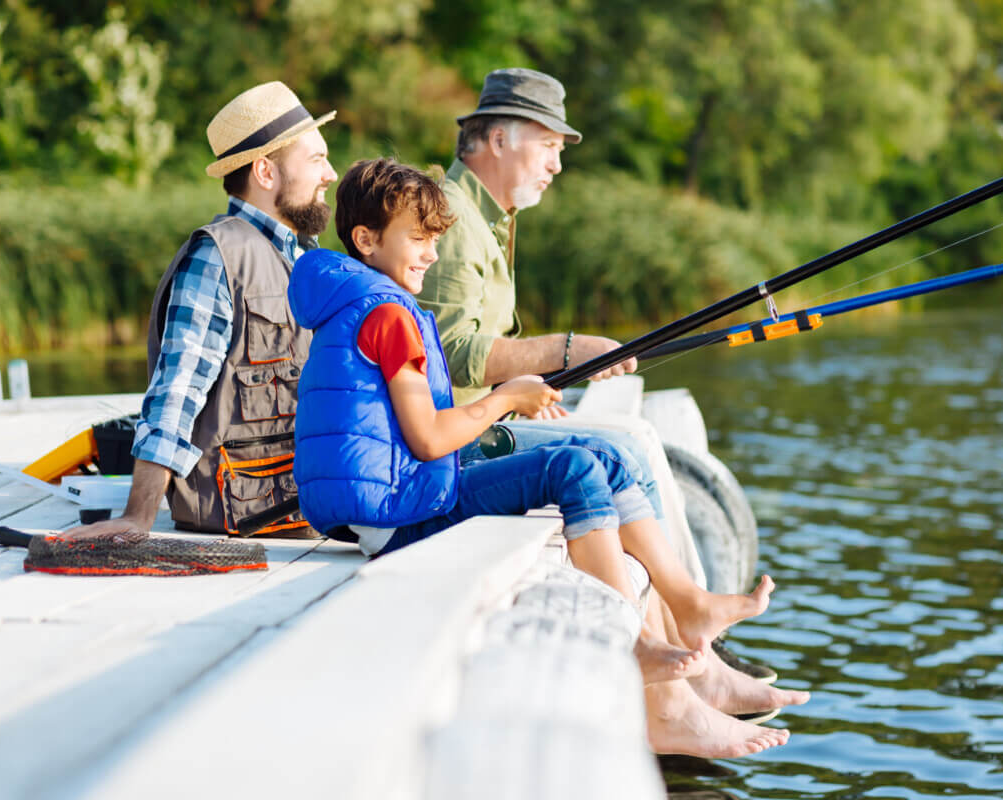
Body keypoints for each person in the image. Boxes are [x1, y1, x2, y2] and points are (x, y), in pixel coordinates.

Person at [289, 159, 782, 709]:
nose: (431, 252)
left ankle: (686, 601)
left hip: (392, 499)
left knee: (605, 458)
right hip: (398, 514)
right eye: (419, 238)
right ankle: (633, 637)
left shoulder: (351, 303)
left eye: (435, 239)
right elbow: (427, 439)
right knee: (571, 468)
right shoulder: (387, 316)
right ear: (366, 239)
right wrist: (507, 398)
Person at [417, 68, 786, 697]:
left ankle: (690, 634)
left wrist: (541, 381)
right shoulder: (454, 219)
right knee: (634, 441)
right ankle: (696, 641)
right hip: (469, 439)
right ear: (500, 140)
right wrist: (570, 348)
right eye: (551, 145)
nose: (558, 165)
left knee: (633, 434)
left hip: (499, 419)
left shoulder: (493, 218)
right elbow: (449, 356)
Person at [61, 81, 338, 542]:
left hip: (299, 512)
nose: (329, 173)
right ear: (265, 172)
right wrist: (138, 517)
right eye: (315, 159)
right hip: (242, 525)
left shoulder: (303, 256)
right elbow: (176, 393)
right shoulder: (217, 256)